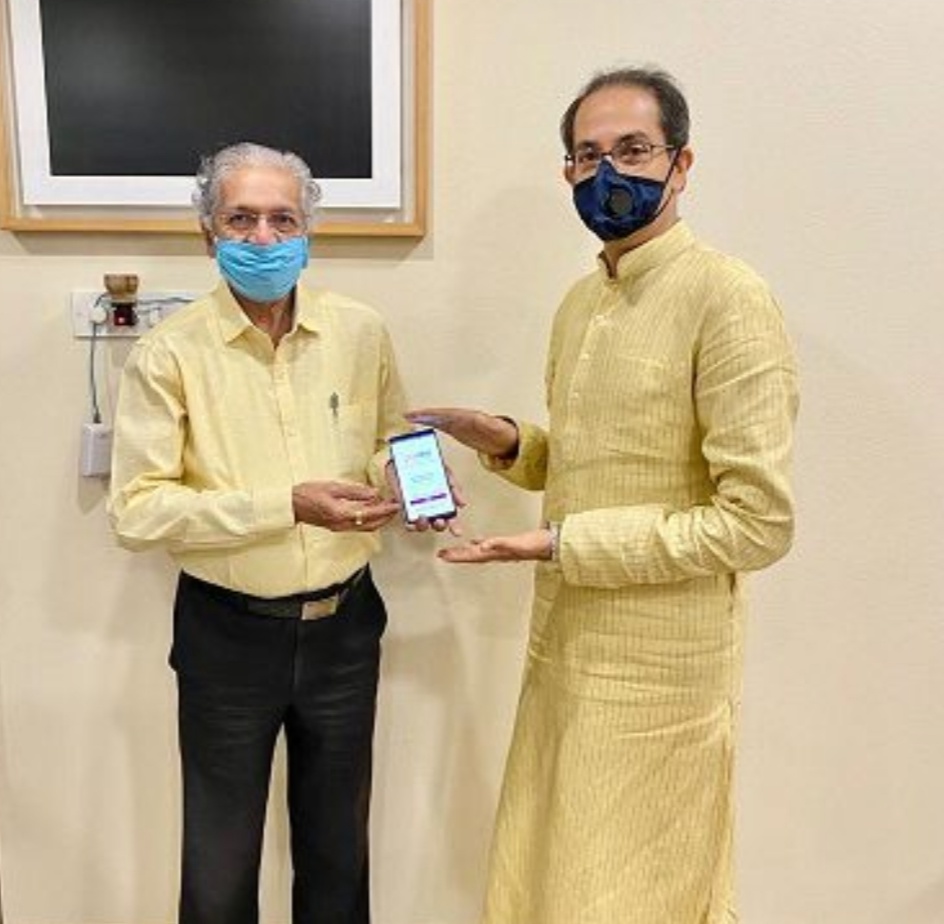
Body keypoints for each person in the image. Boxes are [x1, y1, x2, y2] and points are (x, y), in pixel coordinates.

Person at [409, 67, 798, 924]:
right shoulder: (582, 302)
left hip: (663, 675)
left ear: (681, 163)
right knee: (548, 875)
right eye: (588, 156)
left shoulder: (728, 299)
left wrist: (562, 544)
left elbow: (756, 524)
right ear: (568, 173)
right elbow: (599, 462)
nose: (608, 173)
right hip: (563, 646)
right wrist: (508, 442)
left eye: (633, 149)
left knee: (633, 893)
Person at [109, 142, 410, 924]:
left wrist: (405, 479)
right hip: (227, 637)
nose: (265, 238)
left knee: (338, 859)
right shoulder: (168, 353)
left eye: (284, 219)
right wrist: (287, 505)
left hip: (347, 627)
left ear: (310, 230)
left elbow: (389, 437)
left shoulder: (361, 331)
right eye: (242, 220)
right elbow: (137, 510)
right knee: (219, 869)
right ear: (208, 234)